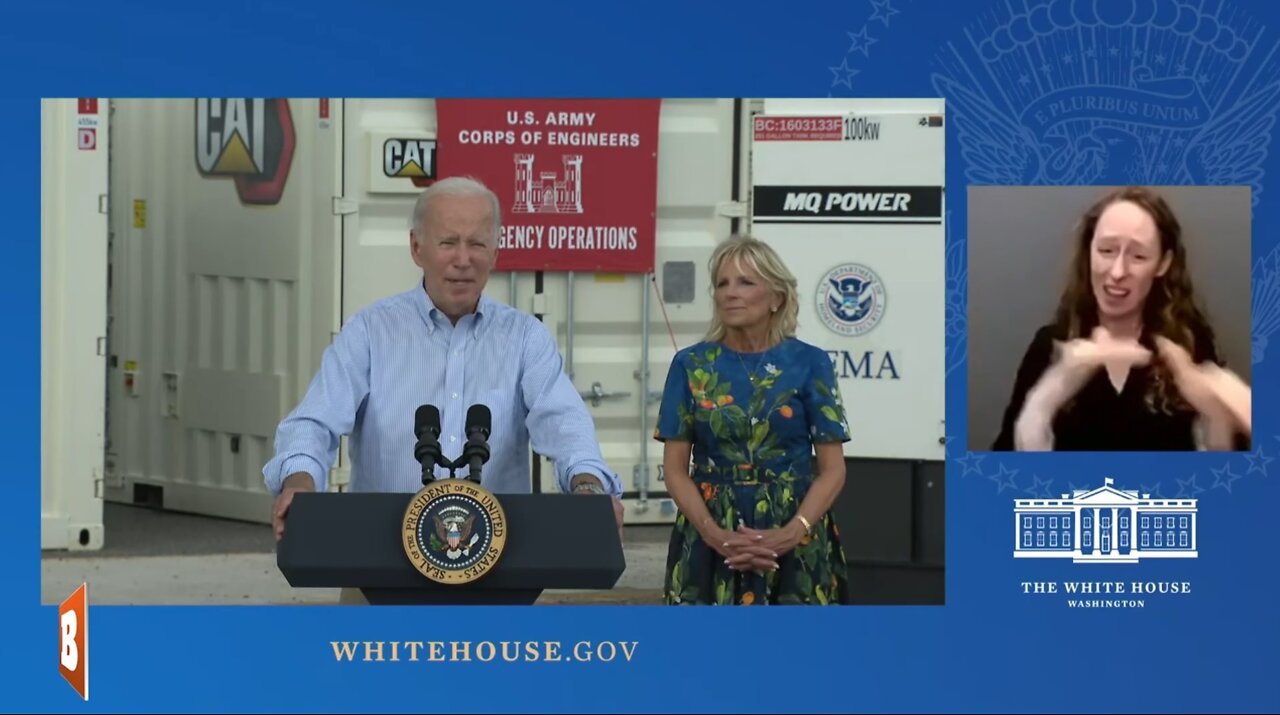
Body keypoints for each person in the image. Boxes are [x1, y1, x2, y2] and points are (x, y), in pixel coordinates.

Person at [263, 176, 625, 549]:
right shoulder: (370, 331)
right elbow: (315, 420)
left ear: (496, 253)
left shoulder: (525, 338)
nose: (463, 260)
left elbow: (564, 421)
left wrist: (587, 484)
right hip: (377, 553)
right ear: (417, 248)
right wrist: (299, 481)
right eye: (448, 243)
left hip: (497, 557)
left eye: (478, 244)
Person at [653, 235, 851, 605]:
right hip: (709, 533)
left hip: (795, 533)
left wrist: (794, 532)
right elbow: (676, 470)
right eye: (722, 283)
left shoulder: (810, 363)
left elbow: (833, 469)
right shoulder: (691, 365)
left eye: (746, 282)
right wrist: (715, 535)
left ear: (777, 297)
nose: (730, 293)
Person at [992, 186, 1251, 452]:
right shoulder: (1049, 345)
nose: (1117, 272)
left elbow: (1223, 475)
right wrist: (1048, 396)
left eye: (1138, 256)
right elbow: (1006, 476)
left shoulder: (1189, 343)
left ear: (1163, 263)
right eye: (1106, 250)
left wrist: (1217, 417)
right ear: (1089, 251)